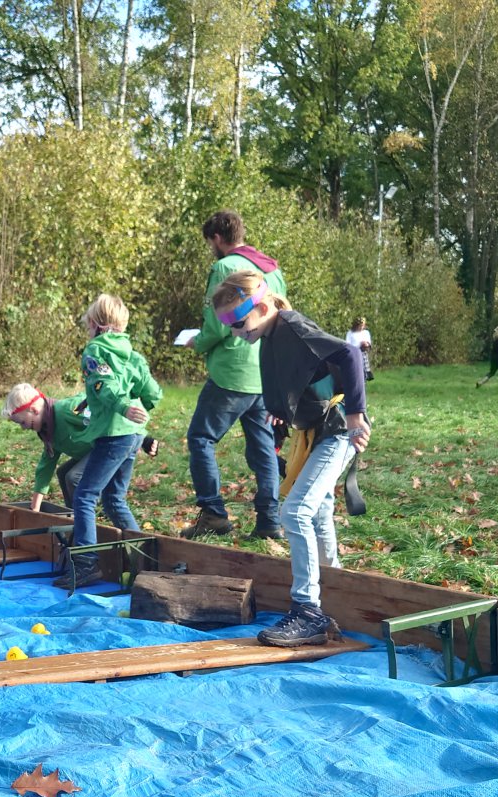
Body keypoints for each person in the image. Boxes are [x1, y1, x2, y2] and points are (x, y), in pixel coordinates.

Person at [211, 270, 369, 648]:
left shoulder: (292, 326)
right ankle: (334, 590)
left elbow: (348, 354)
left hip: (338, 428)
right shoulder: (271, 334)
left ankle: (307, 609)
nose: (236, 332)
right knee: (317, 511)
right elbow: (303, 374)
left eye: (238, 321)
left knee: (295, 512)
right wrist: (283, 412)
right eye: (228, 325)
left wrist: (355, 415)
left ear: (263, 306)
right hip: (317, 431)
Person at [182, 210, 285, 541]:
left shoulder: (224, 268)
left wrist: (197, 342)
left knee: (201, 437)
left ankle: (213, 513)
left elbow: (218, 322)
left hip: (232, 370)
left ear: (215, 238)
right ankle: (270, 521)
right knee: (264, 449)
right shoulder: (271, 267)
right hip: (264, 369)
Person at [56, 294, 162, 590]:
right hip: (132, 434)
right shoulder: (131, 352)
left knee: (85, 496)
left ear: (95, 324)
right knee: (114, 499)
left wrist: (122, 408)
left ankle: (86, 564)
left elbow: (103, 386)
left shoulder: (95, 350)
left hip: (114, 434)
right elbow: (152, 391)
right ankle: (143, 562)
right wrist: (138, 412)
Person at [1, 383, 159, 513]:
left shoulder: (68, 410)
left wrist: (142, 439)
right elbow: (46, 467)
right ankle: (74, 514)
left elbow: (104, 414)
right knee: (62, 473)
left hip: (107, 446)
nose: (23, 428)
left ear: (34, 410)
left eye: (22, 422)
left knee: (73, 476)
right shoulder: (47, 431)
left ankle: (85, 515)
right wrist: (35, 507)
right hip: (91, 451)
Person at [346, 317, 374, 381]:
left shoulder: (366, 332)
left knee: (363, 373)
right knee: (356, 371)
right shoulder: (350, 333)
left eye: (363, 325)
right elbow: (347, 344)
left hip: (363, 353)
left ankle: (363, 386)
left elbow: (369, 343)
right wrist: (358, 345)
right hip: (354, 354)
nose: (361, 327)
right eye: (360, 326)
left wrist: (366, 344)